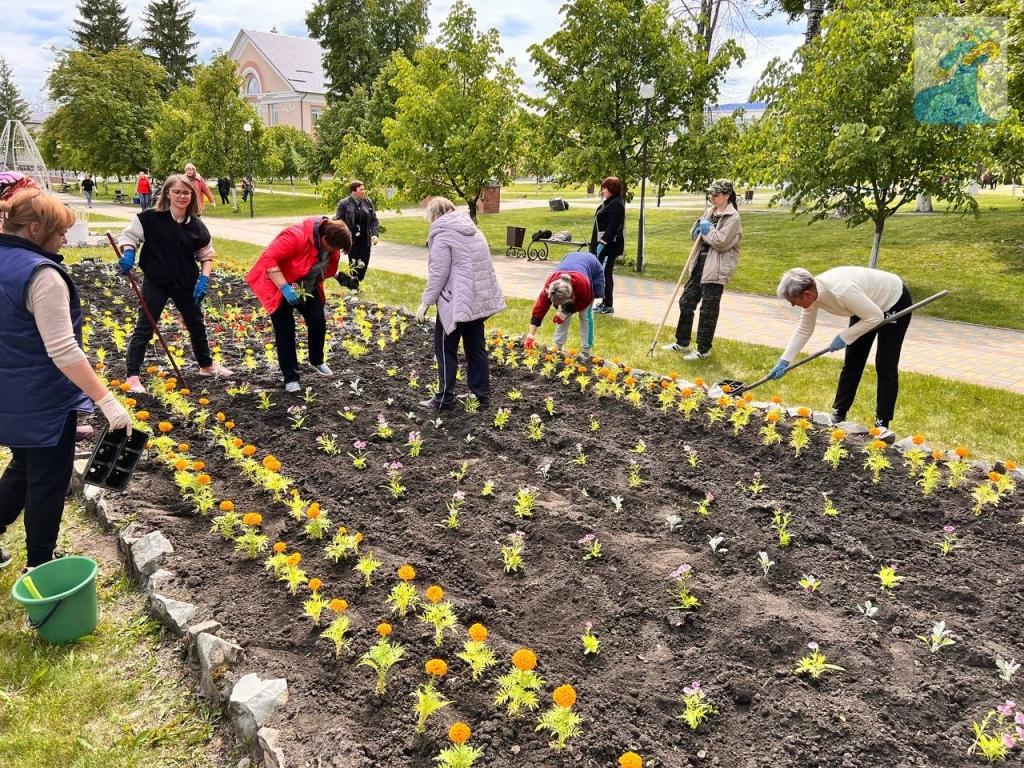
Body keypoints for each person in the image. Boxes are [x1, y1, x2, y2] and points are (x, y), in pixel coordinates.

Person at [0, 189, 132, 570]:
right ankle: (40, 567)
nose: (63, 240)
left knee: (24, 466)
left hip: (8, 392)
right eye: (59, 232)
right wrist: (106, 401)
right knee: (47, 481)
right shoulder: (42, 275)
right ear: (36, 228)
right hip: (41, 399)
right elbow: (64, 351)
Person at [117, 174, 232, 393]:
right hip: (157, 280)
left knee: (196, 323)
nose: (181, 196)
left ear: (193, 195)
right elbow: (129, 238)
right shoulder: (149, 219)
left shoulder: (197, 225)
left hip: (185, 282)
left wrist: (204, 280)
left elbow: (206, 255)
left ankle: (206, 366)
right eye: (177, 192)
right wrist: (129, 253)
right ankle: (133, 376)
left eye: (186, 192)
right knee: (146, 325)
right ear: (167, 193)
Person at [768, 266, 914, 432]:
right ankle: (839, 412)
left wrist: (844, 337)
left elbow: (875, 317)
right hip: (865, 304)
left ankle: (882, 423)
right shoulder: (812, 295)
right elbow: (804, 329)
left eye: (793, 301)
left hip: (894, 300)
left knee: (885, 364)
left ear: (807, 294)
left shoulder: (841, 291)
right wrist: (785, 361)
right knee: (853, 361)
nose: (793, 305)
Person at [415, 197, 506, 411]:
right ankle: (481, 396)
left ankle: (444, 399)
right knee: (476, 347)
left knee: (445, 348)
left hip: (455, 302)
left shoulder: (443, 235)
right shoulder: (473, 230)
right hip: (477, 301)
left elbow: (438, 274)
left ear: (435, 215)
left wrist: (425, 302)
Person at [246, 217, 353, 393]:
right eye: (334, 247)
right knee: (285, 330)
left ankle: (316, 361)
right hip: (280, 287)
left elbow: (320, 265)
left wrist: (340, 276)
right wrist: (285, 288)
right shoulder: (295, 237)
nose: (335, 251)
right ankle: (291, 377)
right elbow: (268, 259)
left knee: (317, 320)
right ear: (324, 238)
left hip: (306, 288)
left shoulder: (330, 244)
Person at [662, 178, 742, 361]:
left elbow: (720, 242)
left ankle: (703, 350)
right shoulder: (709, 212)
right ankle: (682, 343)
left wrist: (707, 231)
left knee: (708, 310)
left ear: (727, 196)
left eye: (716, 194)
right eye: (711, 194)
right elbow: (696, 236)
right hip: (699, 265)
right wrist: (697, 230)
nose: (712, 197)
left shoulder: (733, 218)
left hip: (716, 270)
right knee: (686, 302)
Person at [524, 250, 604, 358]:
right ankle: (558, 346)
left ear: (571, 295)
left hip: (593, 267)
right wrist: (531, 335)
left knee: (584, 315)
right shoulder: (551, 286)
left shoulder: (582, 284)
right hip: (569, 257)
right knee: (562, 315)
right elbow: (539, 309)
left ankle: (586, 350)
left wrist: (566, 311)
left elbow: (585, 302)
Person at [334, 180, 380, 289]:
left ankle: (359, 280)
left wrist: (375, 234)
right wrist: (348, 230)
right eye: (361, 189)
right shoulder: (344, 203)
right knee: (353, 262)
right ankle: (354, 285)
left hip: (365, 238)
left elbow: (374, 220)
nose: (363, 191)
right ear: (354, 191)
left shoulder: (367, 202)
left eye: (363, 189)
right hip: (351, 239)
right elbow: (339, 221)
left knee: (364, 261)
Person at [589, 176, 625, 315]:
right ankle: (604, 301)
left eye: (605, 188)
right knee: (602, 273)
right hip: (601, 245)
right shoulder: (609, 202)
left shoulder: (616, 204)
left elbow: (613, 226)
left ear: (612, 189)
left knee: (605, 274)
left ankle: (608, 304)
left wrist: (602, 243)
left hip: (608, 247)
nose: (602, 190)